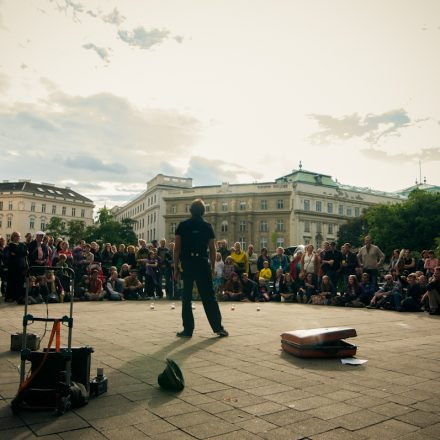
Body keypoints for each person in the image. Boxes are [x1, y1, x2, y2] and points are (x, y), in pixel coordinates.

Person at [173, 199, 228, 337]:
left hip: (187, 263)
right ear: (203, 211)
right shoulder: (207, 226)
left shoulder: (182, 225)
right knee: (209, 296)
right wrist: (213, 267)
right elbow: (212, 249)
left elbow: (177, 249)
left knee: (186, 297)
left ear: (190, 210)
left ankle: (188, 330)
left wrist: (175, 268)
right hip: (202, 263)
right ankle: (218, 328)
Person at [4, 232, 28, 303]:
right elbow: (13, 253)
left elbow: (26, 253)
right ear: (13, 237)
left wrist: (18, 253)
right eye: (16, 236)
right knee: (12, 282)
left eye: (19, 236)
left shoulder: (22, 244)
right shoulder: (10, 245)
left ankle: (18, 297)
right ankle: (10, 297)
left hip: (22, 266)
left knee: (20, 282)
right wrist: (21, 253)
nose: (18, 237)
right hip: (13, 267)